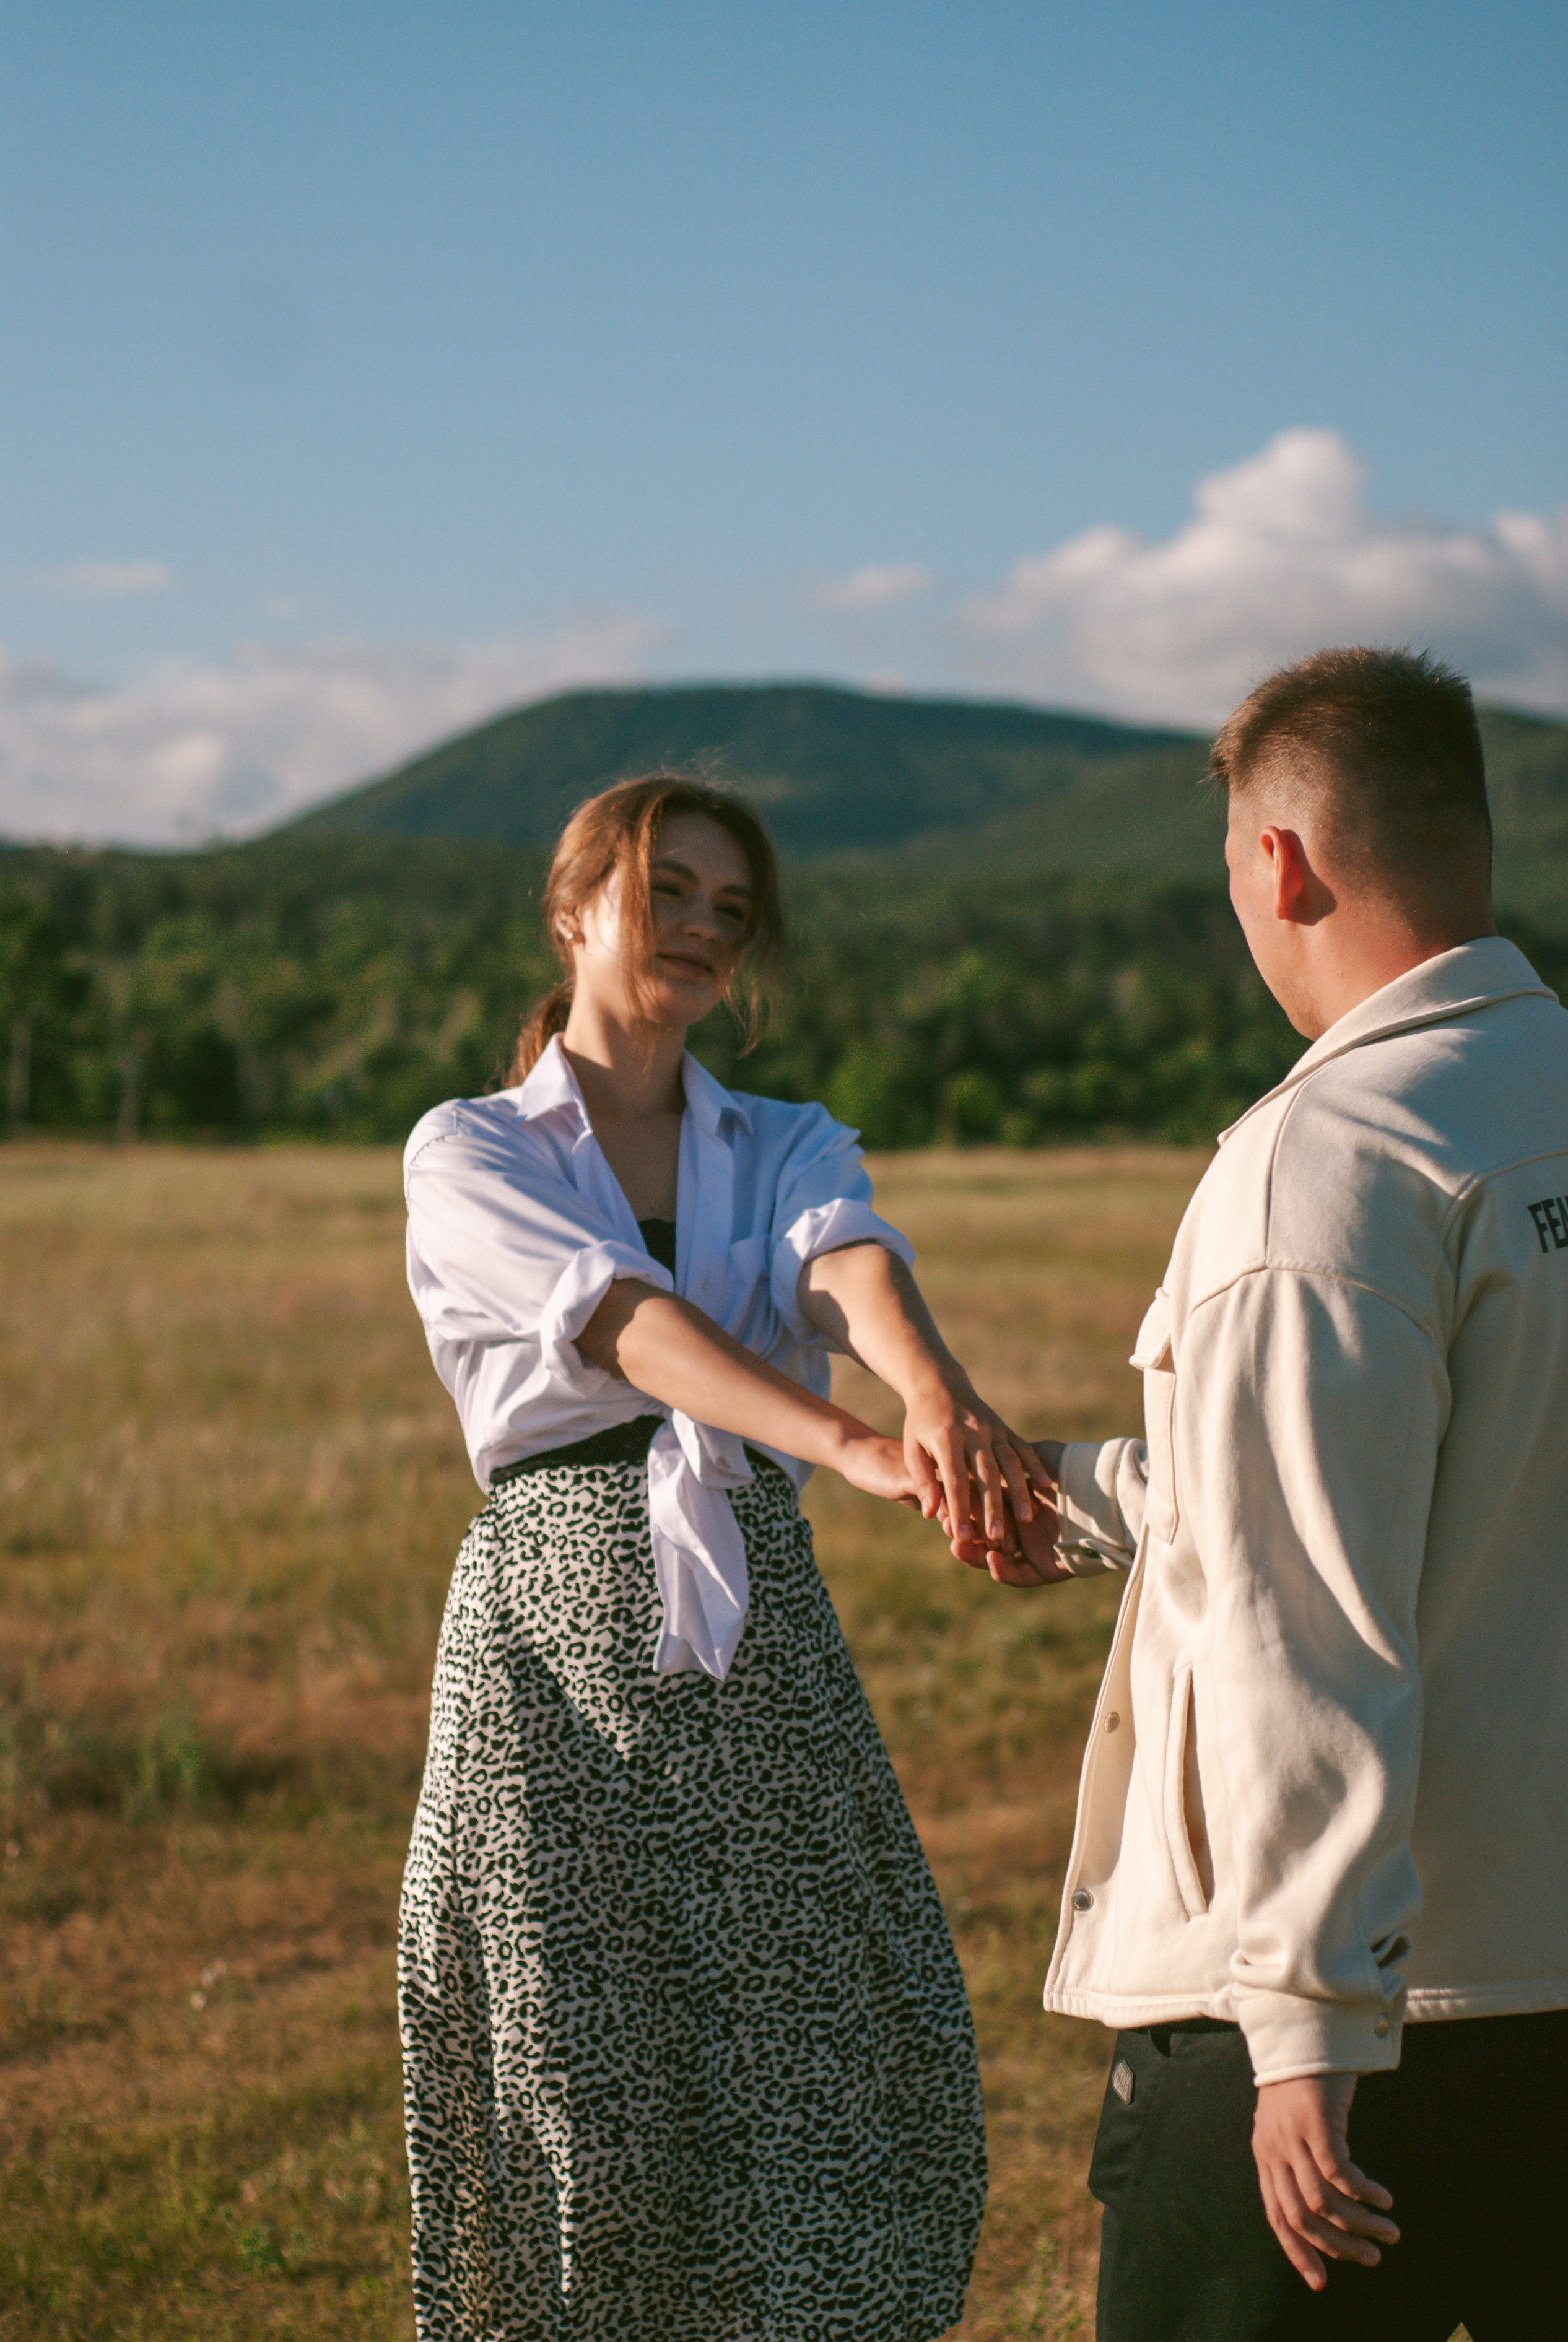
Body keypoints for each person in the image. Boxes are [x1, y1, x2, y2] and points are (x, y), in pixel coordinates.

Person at [960, 648, 1568, 2337]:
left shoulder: (1330, 1155)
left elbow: (1304, 1612)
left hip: (1350, 2029)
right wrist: (1080, 1493)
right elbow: (1452, 1490)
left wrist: (1302, 2026)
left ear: (1278, 862)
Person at [398, 773, 1050, 2341]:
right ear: (573, 910)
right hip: (554, 1650)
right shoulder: (469, 1147)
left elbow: (845, 1263)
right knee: (579, 2081)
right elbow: (628, 1325)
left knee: (847, 2040)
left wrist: (936, 1393)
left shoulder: (783, 1138)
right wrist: (848, 1445)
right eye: (666, 890)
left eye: (729, 909)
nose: (700, 928)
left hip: (755, 1629)